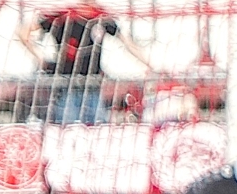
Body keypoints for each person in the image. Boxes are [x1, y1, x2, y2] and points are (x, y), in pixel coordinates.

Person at [15, 3, 151, 125]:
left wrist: (149, 65)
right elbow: (23, 33)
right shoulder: (64, 16)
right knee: (67, 128)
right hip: (67, 85)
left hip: (92, 85)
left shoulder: (100, 16)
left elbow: (127, 42)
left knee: (96, 129)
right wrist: (40, 58)